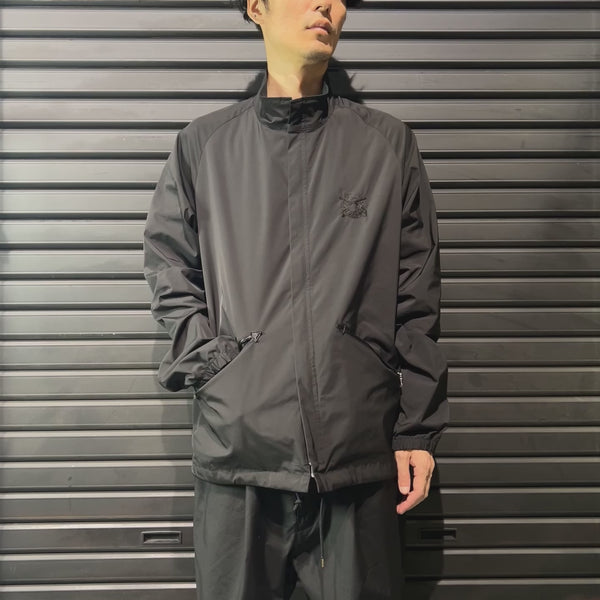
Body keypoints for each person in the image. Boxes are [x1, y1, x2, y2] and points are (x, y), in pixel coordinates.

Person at [143, 0, 449, 596]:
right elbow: (169, 269)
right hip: (239, 463)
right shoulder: (204, 146)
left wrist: (416, 430)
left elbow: (418, 294)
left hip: (359, 459)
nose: (325, 4)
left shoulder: (387, 145)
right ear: (256, 7)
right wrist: (220, 369)